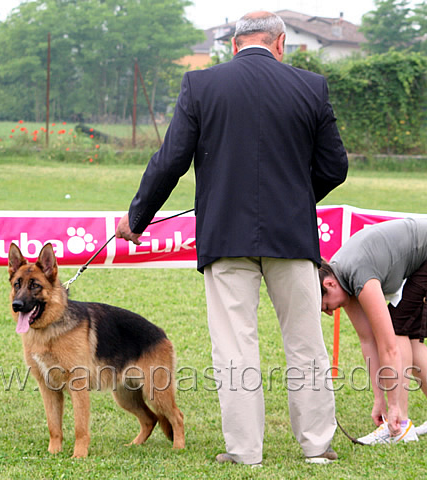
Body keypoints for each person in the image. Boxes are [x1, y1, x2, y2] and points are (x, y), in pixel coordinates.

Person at [115, 11, 348, 465]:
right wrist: (297, 199)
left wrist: (137, 219)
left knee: (234, 346)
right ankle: (318, 447)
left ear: (234, 45)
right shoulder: (311, 86)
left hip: (224, 235)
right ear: (280, 44)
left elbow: (170, 161)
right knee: (305, 343)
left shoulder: (201, 85)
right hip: (292, 236)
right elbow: (334, 167)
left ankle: (245, 451)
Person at [319, 217, 427, 445]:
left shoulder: (359, 274)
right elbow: (368, 341)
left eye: (325, 306)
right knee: (409, 338)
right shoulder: (342, 279)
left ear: (329, 285)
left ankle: (400, 426)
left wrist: (393, 406)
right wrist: (379, 400)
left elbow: (389, 346)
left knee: (397, 330)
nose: (328, 313)